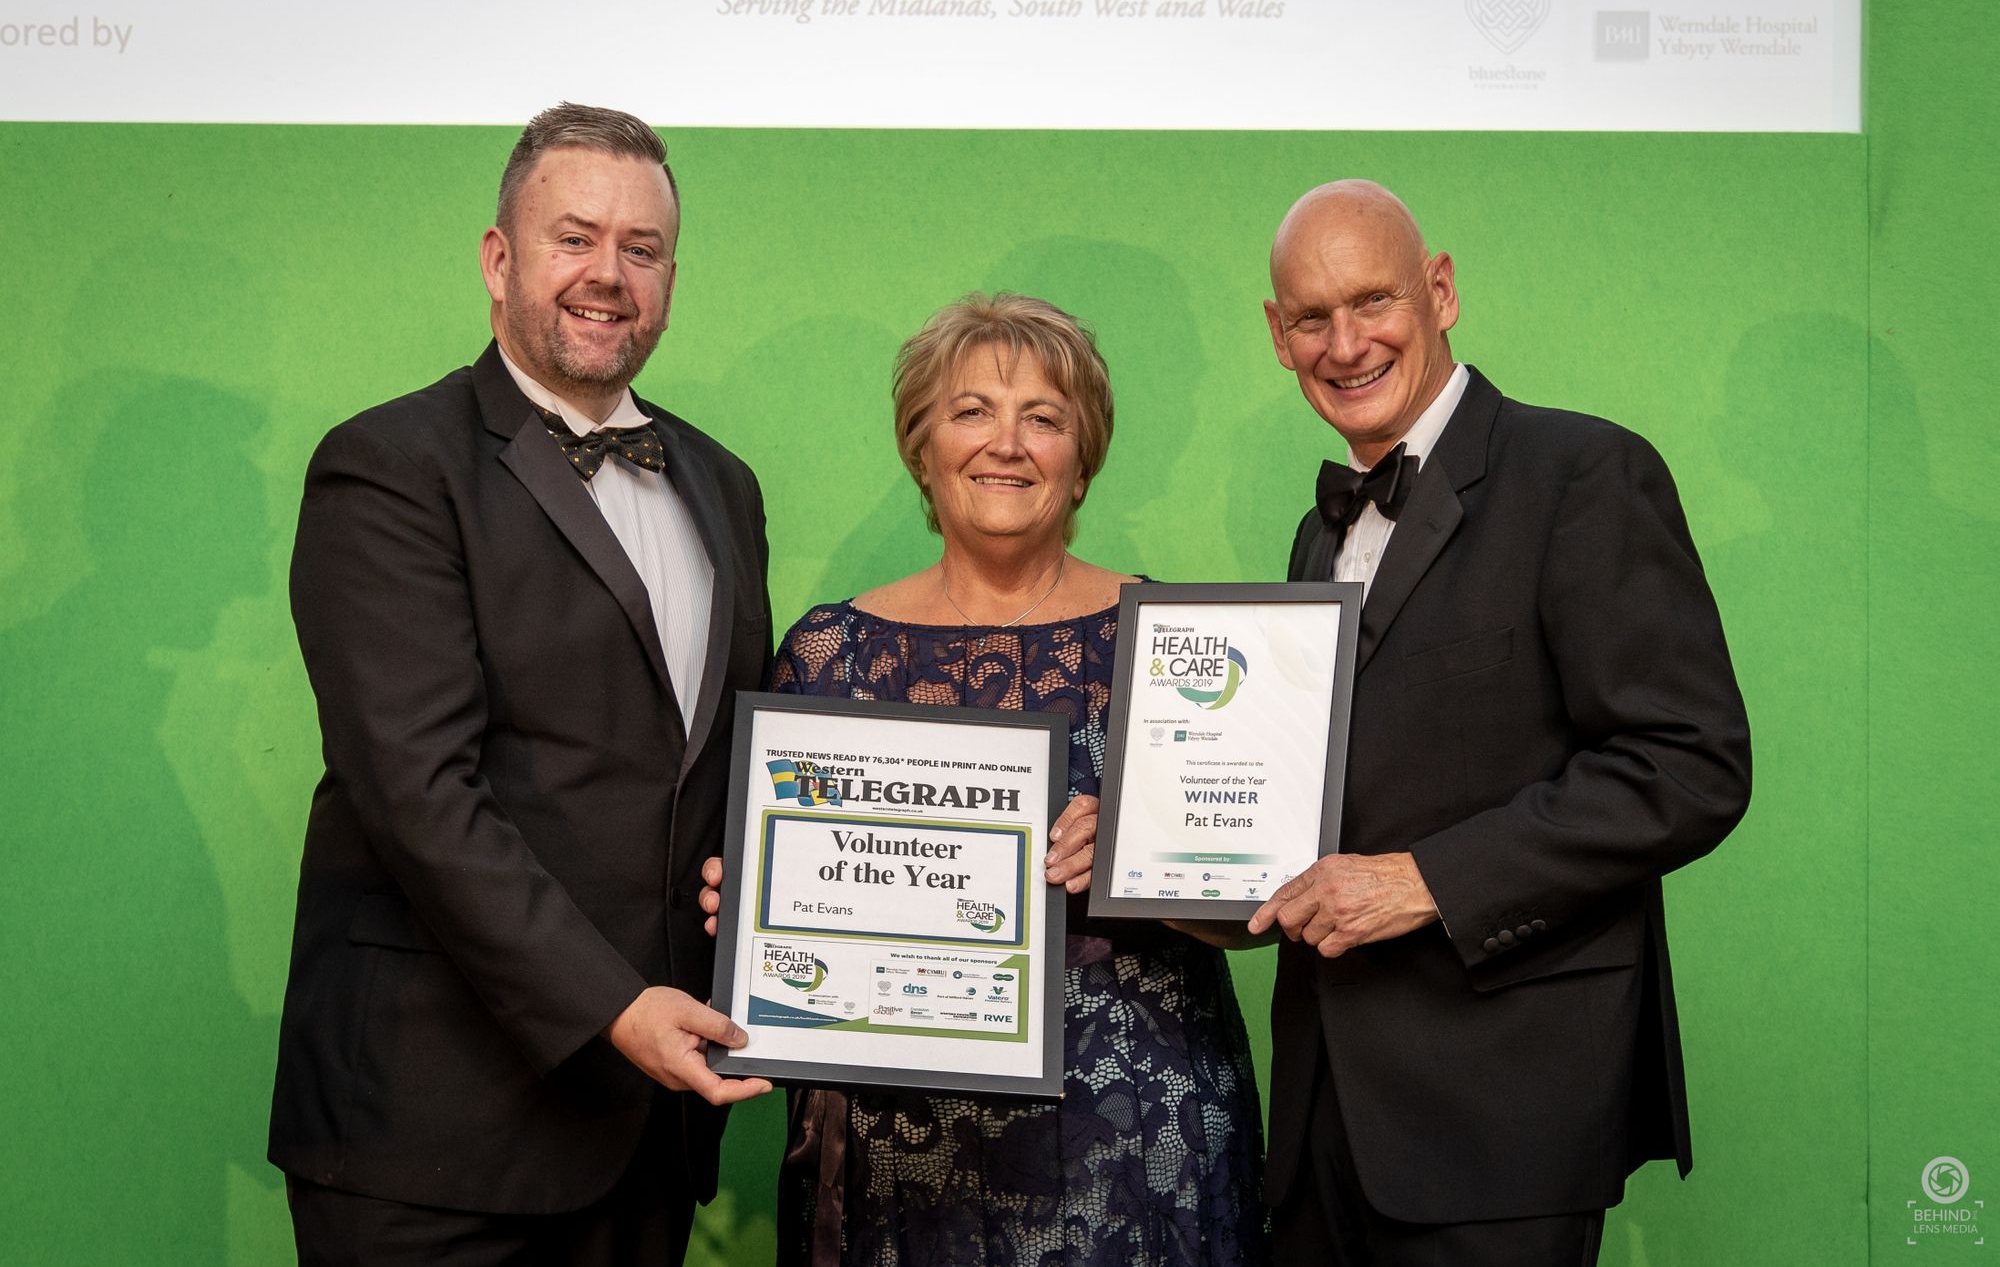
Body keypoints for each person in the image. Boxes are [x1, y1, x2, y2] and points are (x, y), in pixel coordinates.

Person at [268, 103, 773, 1265]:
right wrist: (613, 1005)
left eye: (640, 249)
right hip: (431, 1140)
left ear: (671, 275)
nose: (608, 275)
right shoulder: (391, 467)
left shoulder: (722, 484)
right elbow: (416, 792)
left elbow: (715, 768)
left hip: (646, 1136)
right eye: (574, 238)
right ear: (499, 259)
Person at [1248, 181, 1752, 1265]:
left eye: (1371, 301)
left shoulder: (1581, 473)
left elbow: (1687, 763)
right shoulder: (1314, 532)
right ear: (1275, 335)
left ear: (1438, 290)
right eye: (1309, 319)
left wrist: (1423, 878)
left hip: (1500, 1114)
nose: (1344, 344)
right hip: (1320, 1115)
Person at [706, 292, 1267, 1266]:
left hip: (1135, 1142)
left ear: (1081, 457)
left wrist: (1146, 857)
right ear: (919, 447)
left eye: (1042, 418)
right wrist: (754, 907)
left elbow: (1254, 905)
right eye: (971, 410)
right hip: (892, 1159)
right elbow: (792, 909)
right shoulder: (829, 652)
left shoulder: (1171, 642)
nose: (1005, 443)